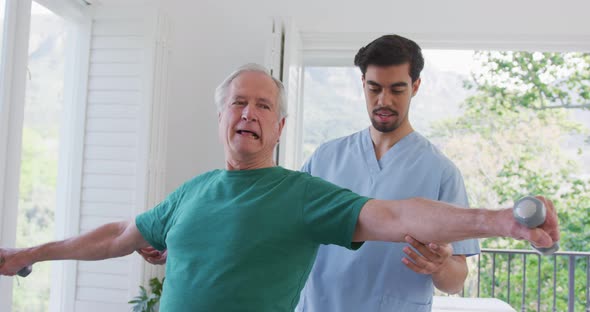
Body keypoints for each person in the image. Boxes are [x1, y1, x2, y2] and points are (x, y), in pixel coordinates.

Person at [0, 63, 560, 312]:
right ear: (221, 116)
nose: (249, 112)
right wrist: (31, 253)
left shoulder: (302, 191)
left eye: (264, 104)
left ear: (280, 127)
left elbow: (394, 215)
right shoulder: (191, 192)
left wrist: (500, 220)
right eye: (238, 102)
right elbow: (122, 232)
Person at [296, 34, 479, 312]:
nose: (384, 100)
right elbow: (292, 232)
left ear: (415, 86)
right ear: (363, 84)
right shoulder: (324, 158)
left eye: (397, 89)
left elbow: (455, 281)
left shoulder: (441, 173)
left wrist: (440, 265)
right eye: (374, 88)